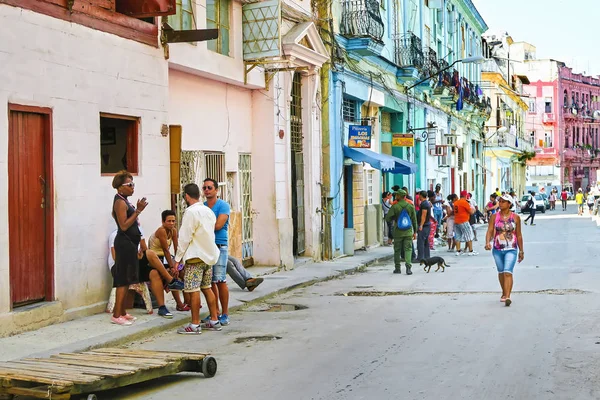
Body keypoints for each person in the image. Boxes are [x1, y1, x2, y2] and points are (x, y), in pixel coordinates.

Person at [175, 183, 222, 334]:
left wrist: (177, 259)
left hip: (195, 257)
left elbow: (184, 237)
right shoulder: (208, 211)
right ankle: (214, 319)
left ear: (187, 196)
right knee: (207, 288)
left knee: (194, 290)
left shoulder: (190, 213)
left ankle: (195, 324)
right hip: (208, 257)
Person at [108, 228, 182, 318]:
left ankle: (162, 307)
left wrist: (140, 256)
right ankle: (170, 281)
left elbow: (145, 252)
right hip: (120, 268)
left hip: (135, 265)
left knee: (154, 272)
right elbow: (116, 258)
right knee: (150, 254)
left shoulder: (139, 231)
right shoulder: (116, 235)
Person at [110, 170, 146, 326]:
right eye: (129, 185)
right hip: (124, 244)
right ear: (120, 187)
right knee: (123, 280)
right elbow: (124, 225)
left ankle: (123, 312)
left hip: (131, 244)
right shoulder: (119, 202)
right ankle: (116, 314)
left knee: (128, 279)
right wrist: (138, 211)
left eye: (133, 184)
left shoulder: (124, 200)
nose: (132, 187)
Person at [484, 194, 524, 307]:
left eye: (503, 201)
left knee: (507, 272)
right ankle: (504, 292)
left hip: (511, 248)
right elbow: (490, 230)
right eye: (500, 201)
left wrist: (521, 251)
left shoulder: (516, 217)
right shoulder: (494, 217)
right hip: (497, 249)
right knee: (501, 272)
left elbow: (519, 235)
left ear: (509, 204)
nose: (500, 203)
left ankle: (507, 296)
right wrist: (487, 242)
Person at [148, 210, 192, 312]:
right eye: (169, 221)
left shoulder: (173, 231)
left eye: (173, 221)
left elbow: (177, 248)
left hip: (167, 259)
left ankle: (188, 301)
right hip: (156, 259)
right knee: (173, 275)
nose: (172, 223)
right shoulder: (161, 231)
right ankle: (179, 304)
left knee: (183, 272)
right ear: (163, 222)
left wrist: (179, 263)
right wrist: (172, 267)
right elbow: (166, 250)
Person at [202, 178, 231, 326]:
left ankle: (225, 313)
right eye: (204, 188)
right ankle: (215, 312)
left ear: (216, 190)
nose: (207, 190)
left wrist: (204, 227)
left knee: (220, 280)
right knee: (210, 281)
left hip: (219, 245)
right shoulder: (203, 207)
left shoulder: (223, 205)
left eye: (209, 188)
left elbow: (219, 225)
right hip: (207, 246)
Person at [385, 190, 417, 275]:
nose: (395, 196)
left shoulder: (395, 207)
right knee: (408, 249)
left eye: (396, 195)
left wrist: (395, 219)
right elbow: (414, 220)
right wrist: (415, 231)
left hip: (398, 232)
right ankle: (408, 267)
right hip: (408, 232)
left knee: (397, 250)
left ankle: (397, 268)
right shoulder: (410, 206)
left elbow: (388, 218)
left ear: (399, 196)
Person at [453, 190, 477, 256]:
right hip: (463, 221)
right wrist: (474, 209)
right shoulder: (464, 202)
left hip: (456, 221)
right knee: (469, 235)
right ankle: (471, 250)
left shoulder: (456, 202)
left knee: (458, 236)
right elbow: (471, 212)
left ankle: (458, 251)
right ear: (465, 195)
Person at [415, 191, 432, 262]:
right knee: (425, 241)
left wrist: (421, 225)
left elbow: (423, 215)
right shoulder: (426, 203)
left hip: (424, 225)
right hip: (427, 225)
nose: (418, 197)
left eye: (419, 195)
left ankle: (421, 257)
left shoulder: (424, 204)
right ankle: (426, 256)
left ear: (421, 196)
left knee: (421, 241)